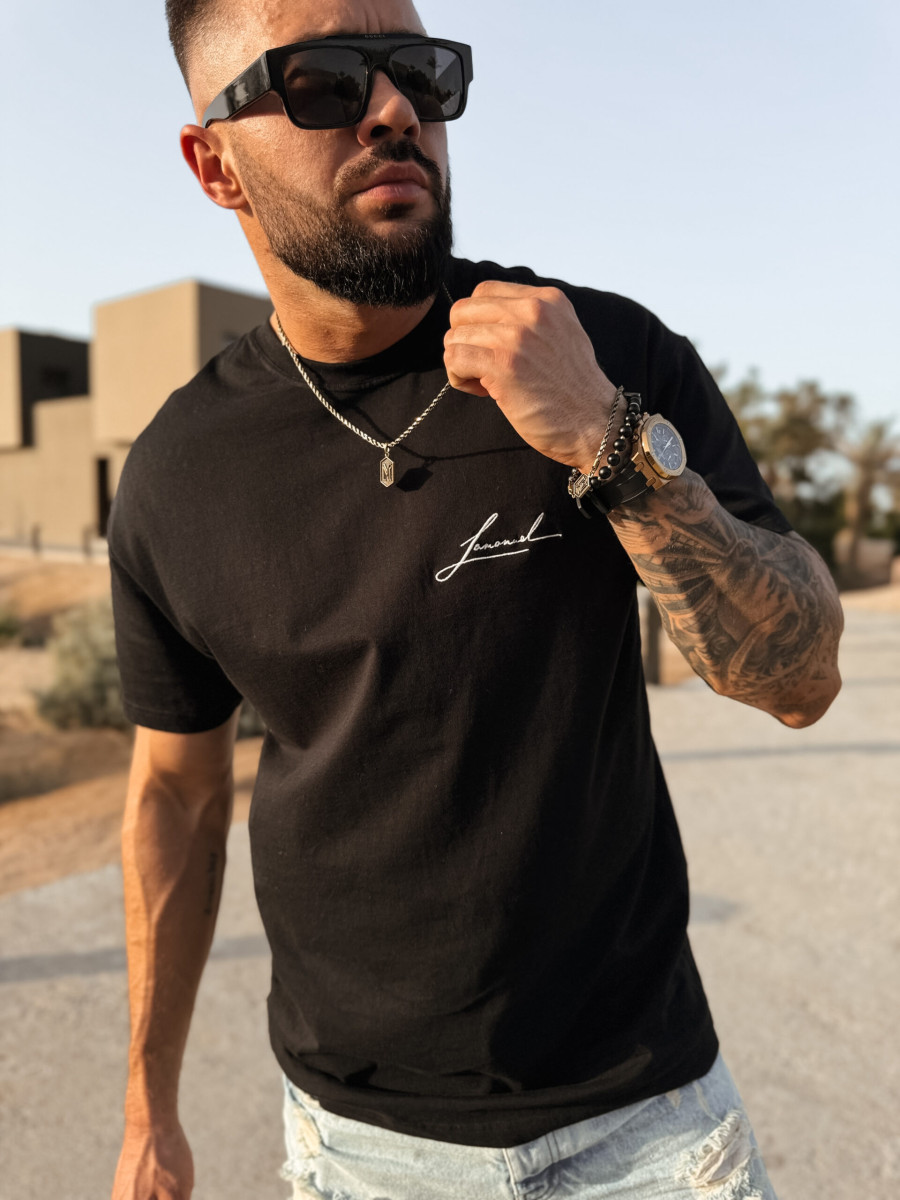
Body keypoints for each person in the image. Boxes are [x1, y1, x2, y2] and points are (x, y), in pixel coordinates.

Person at [110, 1, 843, 1197]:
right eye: (325, 81)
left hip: (649, 1123)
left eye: (421, 72)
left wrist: (608, 442)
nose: (395, 110)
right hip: (364, 1145)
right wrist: (149, 1108)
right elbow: (178, 800)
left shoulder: (602, 353)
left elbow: (802, 679)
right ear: (215, 165)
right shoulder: (178, 476)